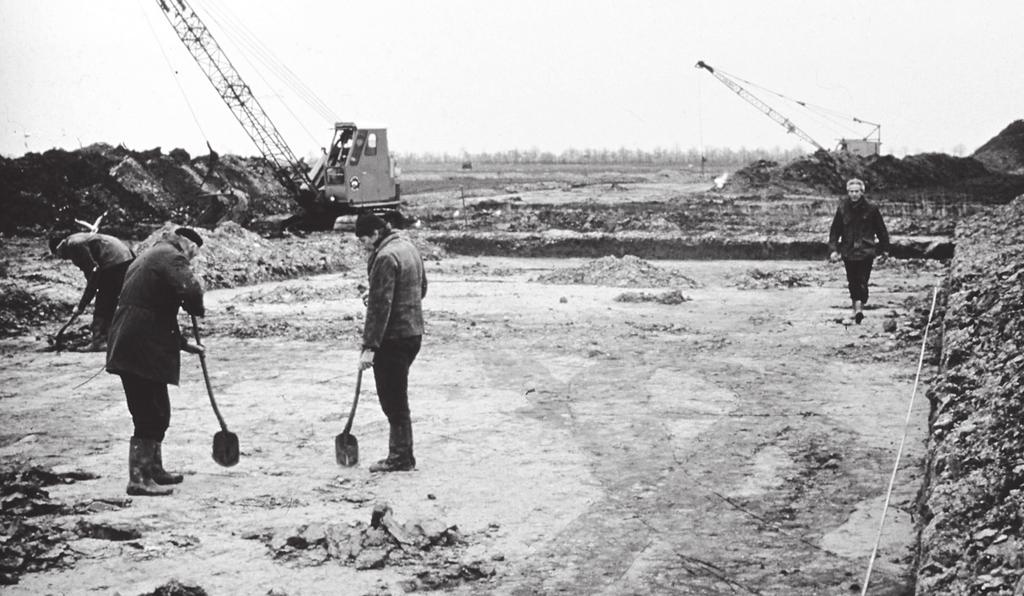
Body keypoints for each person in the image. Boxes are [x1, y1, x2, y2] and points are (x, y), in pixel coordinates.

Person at [105, 227, 206, 496]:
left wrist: (184, 344)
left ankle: (153, 469)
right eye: (193, 254)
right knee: (148, 412)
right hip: (141, 345)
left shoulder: (151, 255)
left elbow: (154, 306)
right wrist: (196, 306)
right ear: (187, 246)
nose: (192, 260)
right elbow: (191, 290)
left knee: (157, 410)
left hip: (135, 341)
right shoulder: (172, 258)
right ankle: (138, 479)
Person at [355, 213, 427, 472]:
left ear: (375, 233)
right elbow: (422, 289)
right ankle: (402, 455)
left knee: (393, 400)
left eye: (364, 239)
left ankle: (400, 458)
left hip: (392, 339)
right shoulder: (408, 247)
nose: (364, 244)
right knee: (398, 396)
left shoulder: (385, 257)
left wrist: (369, 348)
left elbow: (379, 308)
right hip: (413, 334)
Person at [49, 232, 134, 350]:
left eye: (57, 255)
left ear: (58, 248)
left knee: (103, 301)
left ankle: (98, 341)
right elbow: (92, 275)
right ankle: (109, 337)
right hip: (124, 257)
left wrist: (81, 305)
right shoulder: (75, 241)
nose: (62, 258)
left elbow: (93, 275)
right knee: (110, 299)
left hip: (115, 261)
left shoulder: (73, 245)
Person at [829, 178, 890, 324]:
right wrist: (833, 250)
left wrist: (885, 250)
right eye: (851, 192)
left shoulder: (871, 209)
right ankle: (857, 309)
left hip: (866, 251)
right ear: (847, 192)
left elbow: (881, 231)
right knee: (852, 281)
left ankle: (859, 306)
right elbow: (835, 231)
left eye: (856, 191)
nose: (854, 194)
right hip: (848, 252)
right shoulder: (842, 208)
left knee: (863, 281)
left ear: (862, 192)